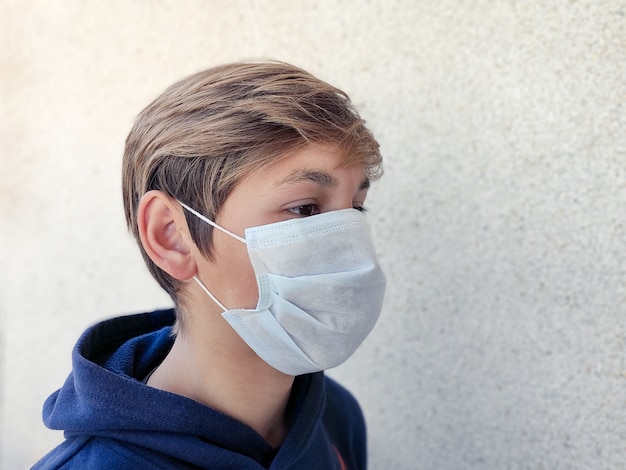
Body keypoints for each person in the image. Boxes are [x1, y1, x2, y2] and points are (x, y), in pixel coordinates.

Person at [33, 61, 386, 469]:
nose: (348, 248)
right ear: (172, 236)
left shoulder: (335, 417)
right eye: (305, 209)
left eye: (355, 210)